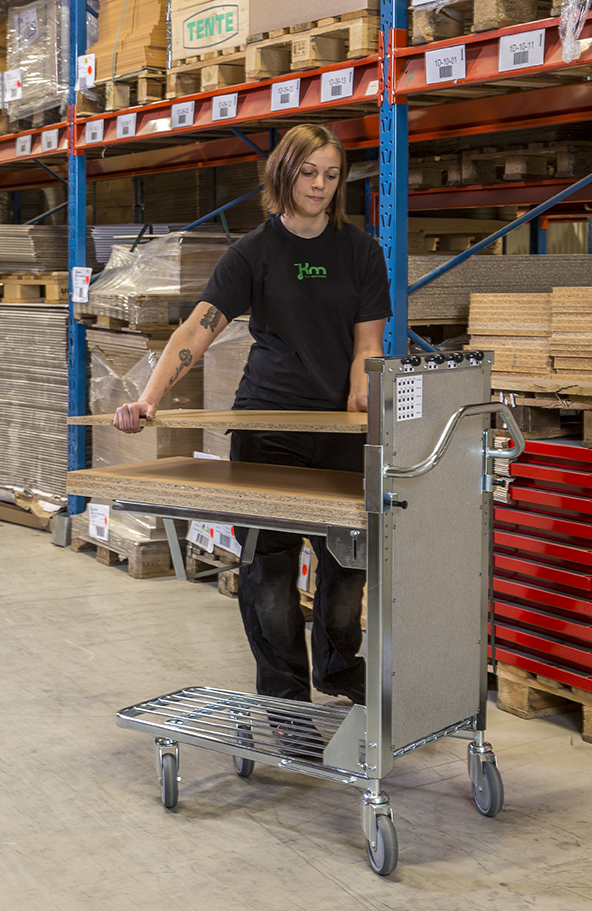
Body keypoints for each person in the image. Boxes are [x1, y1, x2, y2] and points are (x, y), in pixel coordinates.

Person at [113, 124, 392, 735]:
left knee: (347, 563)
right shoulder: (252, 253)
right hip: (268, 428)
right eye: (308, 172)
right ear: (283, 174)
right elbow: (197, 329)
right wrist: (148, 399)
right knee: (269, 568)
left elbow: (368, 343)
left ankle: (340, 670)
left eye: (331, 174)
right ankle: (285, 699)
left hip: (341, 432)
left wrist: (363, 392)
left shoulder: (362, 252)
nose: (319, 185)